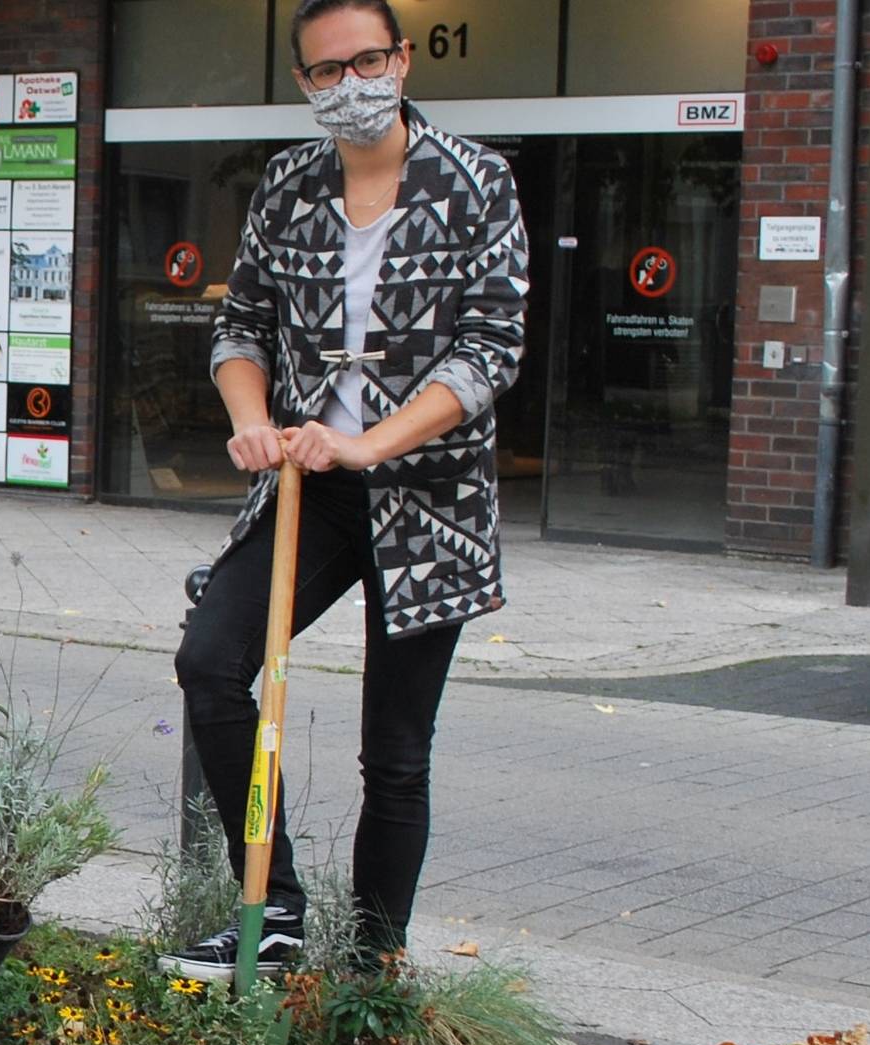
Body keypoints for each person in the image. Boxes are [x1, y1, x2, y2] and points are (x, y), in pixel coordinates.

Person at [166, 0, 528, 981]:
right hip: (310, 485)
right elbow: (239, 329)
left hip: (431, 501)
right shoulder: (288, 185)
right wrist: (250, 417)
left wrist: (372, 444)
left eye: (366, 61)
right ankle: (272, 905)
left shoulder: (476, 181)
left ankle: (376, 960)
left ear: (402, 61)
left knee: (395, 748)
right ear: (305, 83)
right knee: (211, 662)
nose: (349, 85)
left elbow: (490, 351)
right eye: (326, 72)